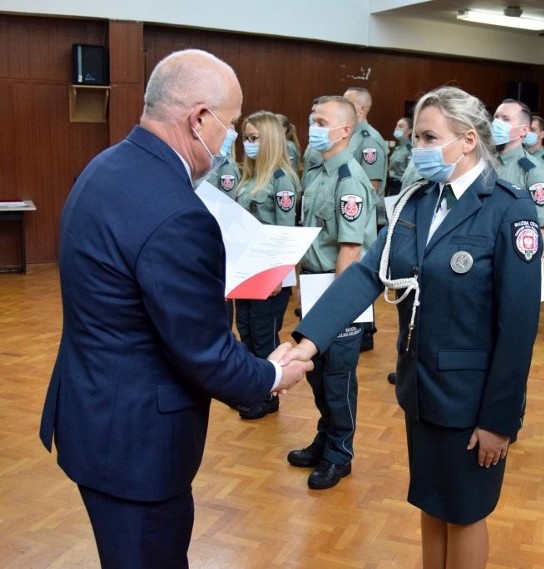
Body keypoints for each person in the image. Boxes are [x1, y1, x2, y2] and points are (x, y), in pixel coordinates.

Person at [38, 49, 311, 568]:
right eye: (230, 125)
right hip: (138, 446)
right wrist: (269, 375)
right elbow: (203, 351)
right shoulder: (179, 212)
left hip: (96, 417)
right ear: (199, 118)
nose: (232, 140)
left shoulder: (104, 167)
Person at [282, 85, 541, 569]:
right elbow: (365, 274)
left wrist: (498, 421)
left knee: (464, 513)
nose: (417, 150)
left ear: (467, 140)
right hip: (421, 389)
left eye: (428, 138)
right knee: (431, 502)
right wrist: (307, 341)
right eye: (416, 138)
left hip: (472, 401)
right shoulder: (419, 202)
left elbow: (519, 329)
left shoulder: (508, 209)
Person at [286, 95, 377, 490]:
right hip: (314, 284)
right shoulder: (318, 172)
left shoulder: (348, 180)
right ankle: (325, 439)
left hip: (338, 288)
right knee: (317, 376)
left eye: (321, 120)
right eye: (311, 118)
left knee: (337, 379)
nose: (312, 126)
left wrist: (333, 310)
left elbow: (351, 251)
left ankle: (340, 453)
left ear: (344, 130)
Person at [233, 110, 302, 419]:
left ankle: (268, 395)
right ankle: (252, 389)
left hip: (270, 275)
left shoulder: (281, 178)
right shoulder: (249, 176)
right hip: (247, 270)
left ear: (271, 140)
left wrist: (277, 276)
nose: (249, 144)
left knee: (264, 336)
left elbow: (285, 233)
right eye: (246, 138)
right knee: (245, 330)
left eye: (255, 138)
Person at [343, 86, 388, 351]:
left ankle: (366, 331)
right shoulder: (349, 136)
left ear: (360, 109)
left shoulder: (368, 139)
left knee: (361, 270)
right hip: (352, 219)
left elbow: (372, 186)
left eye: (346, 103)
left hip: (362, 220)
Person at [492, 99, 544, 237]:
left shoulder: (533, 170)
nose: (497, 123)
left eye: (506, 119)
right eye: (496, 117)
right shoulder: (482, 162)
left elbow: (541, 228)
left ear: (524, 130)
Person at [387, 116, 413, 197]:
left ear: (409, 130)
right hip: (391, 185)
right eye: (396, 126)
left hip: (401, 186)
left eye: (401, 126)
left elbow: (410, 173)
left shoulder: (410, 149)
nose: (397, 128)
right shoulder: (398, 147)